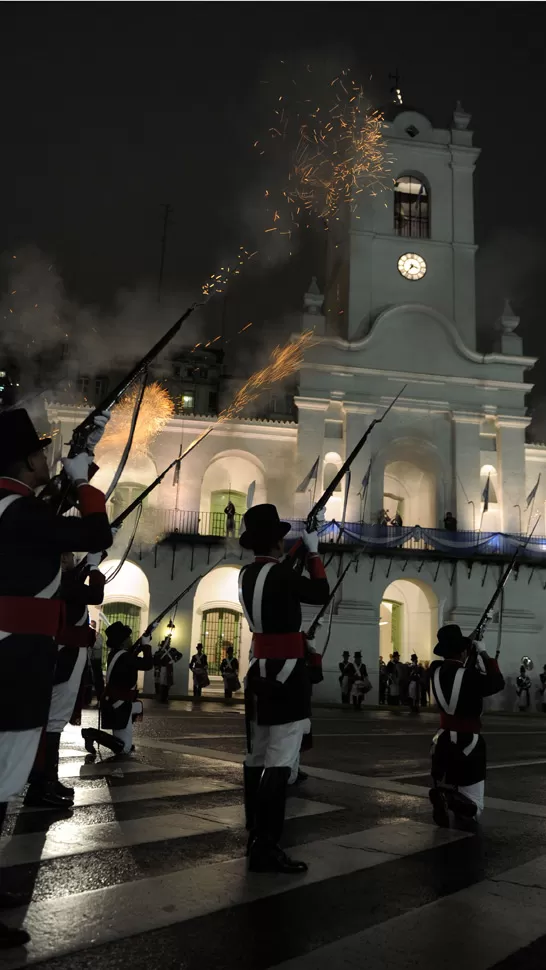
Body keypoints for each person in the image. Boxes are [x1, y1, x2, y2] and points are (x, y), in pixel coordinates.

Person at [0, 407, 111, 950]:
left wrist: (72, 470)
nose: (46, 457)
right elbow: (97, 530)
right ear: (22, 458)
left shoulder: (13, 509)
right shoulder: (17, 512)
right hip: (14, 661)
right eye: (40, 451)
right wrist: (86, 481)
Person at [239, 503, 329, 874]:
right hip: (288, 674)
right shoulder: (282, 576)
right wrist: (314, 552)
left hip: (260, 669)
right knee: (280, 759)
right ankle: (268, 844)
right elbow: (320, 592)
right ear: (278, 540)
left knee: (258, 756)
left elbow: (276, 584)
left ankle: (255, 833)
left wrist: (296, 553)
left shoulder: (247, 574)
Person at [24, 550, 106, 808]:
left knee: (52, 723)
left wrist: (93, 562)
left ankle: (47, 780)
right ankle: (42, 785)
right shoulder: (59, 582)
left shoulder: (54, 580)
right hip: (64, 660)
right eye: (67, 555)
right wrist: (93, 567)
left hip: (62, 658)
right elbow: (95, 595)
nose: (72, 557)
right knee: (53, 723)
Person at [429, 624, 504, 826]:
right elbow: (497, 682)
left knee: (454, 782)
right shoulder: (469, 677)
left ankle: (445, 794)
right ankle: (448, 798)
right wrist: (484, 653)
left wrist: (469, 649)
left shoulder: (434, 670)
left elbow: (457, 673)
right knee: (475, 807)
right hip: (468, 742)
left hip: (442, 740)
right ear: (463, 651)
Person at [82, 621, 154, 757]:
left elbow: (131, 656)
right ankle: (91, 734)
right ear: (123, 641)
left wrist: (143, 641)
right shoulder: (125, 656)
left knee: (137, 707)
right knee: (124, 749)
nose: (130, 640)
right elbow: (147, 664)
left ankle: (122, 736)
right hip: (120, 704)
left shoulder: (117, 654)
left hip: (115, 701)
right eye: (128, 638)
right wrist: (145, 645)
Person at [153, 638, 174, 703]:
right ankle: (160, 697)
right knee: (159, 684)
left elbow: (179, 655)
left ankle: (165, 697)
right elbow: (155, 661)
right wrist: (156, 668)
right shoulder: (158, 653)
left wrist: (174, 660)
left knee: (166, 684)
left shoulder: (171, 651)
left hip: (167, 670)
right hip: (159, 670)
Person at [89, 620, 105, 702]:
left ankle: (100, 699)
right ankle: (87, 699)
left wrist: (92, 637)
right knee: (88, 681)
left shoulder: (99, 636)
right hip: (89, 661)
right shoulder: (88, 635)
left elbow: (97, 646)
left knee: (98, 680)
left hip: (96, 661)